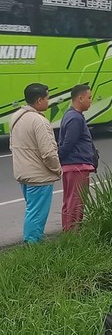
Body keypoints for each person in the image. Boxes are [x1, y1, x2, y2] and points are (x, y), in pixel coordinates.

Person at [10, 83, 62, 243]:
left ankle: (32, 242)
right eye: (47, 97)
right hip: (39, 177)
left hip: (23, 174)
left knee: (32, 210)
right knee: (37, 213)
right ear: (39, 100)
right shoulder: (39, 121)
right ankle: (32, 245)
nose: (49, 100)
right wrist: (58, 169)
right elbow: (48, 153)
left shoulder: (16, 116)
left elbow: (12, 145)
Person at [58, 84, 95, 231]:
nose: (90, 101)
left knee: (70, 200)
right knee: (76, 201)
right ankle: (72, 232)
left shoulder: (71, 115)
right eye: (89, 97)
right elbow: (68, 144)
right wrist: (61, 158)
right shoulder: (75, 118)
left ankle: (70, 231)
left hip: (73, 166)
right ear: (80, 98)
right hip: (77, 166)